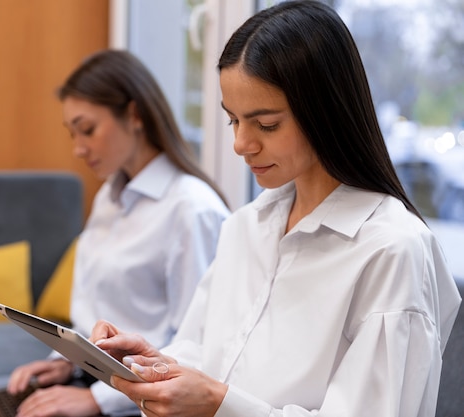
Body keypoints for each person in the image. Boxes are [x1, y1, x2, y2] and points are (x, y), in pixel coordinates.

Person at [89, 2, 462, 416]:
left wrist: (217, 403)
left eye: (266, 124)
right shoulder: (246, 226)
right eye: (233, 120)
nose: (240, 144)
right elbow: (207, 353)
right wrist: (155, 364)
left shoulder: (391, 251)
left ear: (327, 113)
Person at [6, 49, 230, 417]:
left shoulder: (191, 210)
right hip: (95, 381)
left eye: (88, 129)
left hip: (144, 401)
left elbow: (196, 346)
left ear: (134, 114)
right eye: (72, 134)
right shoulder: (109, 198)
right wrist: (66, 363)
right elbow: (94, 314)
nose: (78, 148)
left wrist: (98, 400)